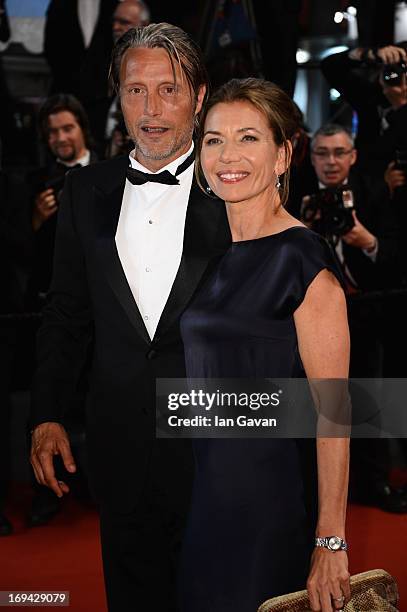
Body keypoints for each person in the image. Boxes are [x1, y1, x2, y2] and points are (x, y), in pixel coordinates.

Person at [29, 23, 230, 612]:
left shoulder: (237, 185)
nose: (151, 109)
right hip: (118, 449)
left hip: (218, 450)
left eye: (168, 90)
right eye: (135, 90)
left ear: (198, 97)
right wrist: (46, 413)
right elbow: (65, 314)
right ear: (116, 95)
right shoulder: (84, 190)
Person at [179, 78, 350, 612]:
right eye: (213, 139)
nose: (228, 155)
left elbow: (336, 413)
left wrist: (330, 541)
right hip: (202, 496)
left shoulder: (303, 260)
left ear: (282, 154)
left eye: (248, 138)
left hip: (266, 505)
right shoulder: (204, 254)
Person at [307, 124, 406, 513]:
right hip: (307, 318)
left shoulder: (375, 192)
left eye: (338, 153)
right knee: (311, 404)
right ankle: (310, 488)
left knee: (367, 401)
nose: (331, 162)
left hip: (365, 312)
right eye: (322, 153)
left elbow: (397, 256)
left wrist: (368, 241)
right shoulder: (289, 192)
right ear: (311, 156)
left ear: (353, 156)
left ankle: (372, 482)